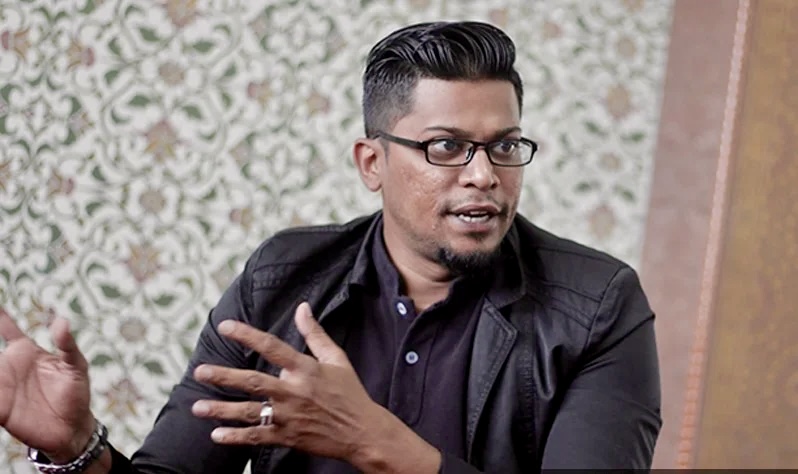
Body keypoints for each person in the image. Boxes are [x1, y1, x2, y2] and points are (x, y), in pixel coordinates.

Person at [0, 21, 661, 473]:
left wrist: (378, 445)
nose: (485, 174)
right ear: (372, 162)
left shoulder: (597, 305)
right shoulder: (281, 280)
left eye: (505, 146)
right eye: (447, 146)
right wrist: (76, 450)